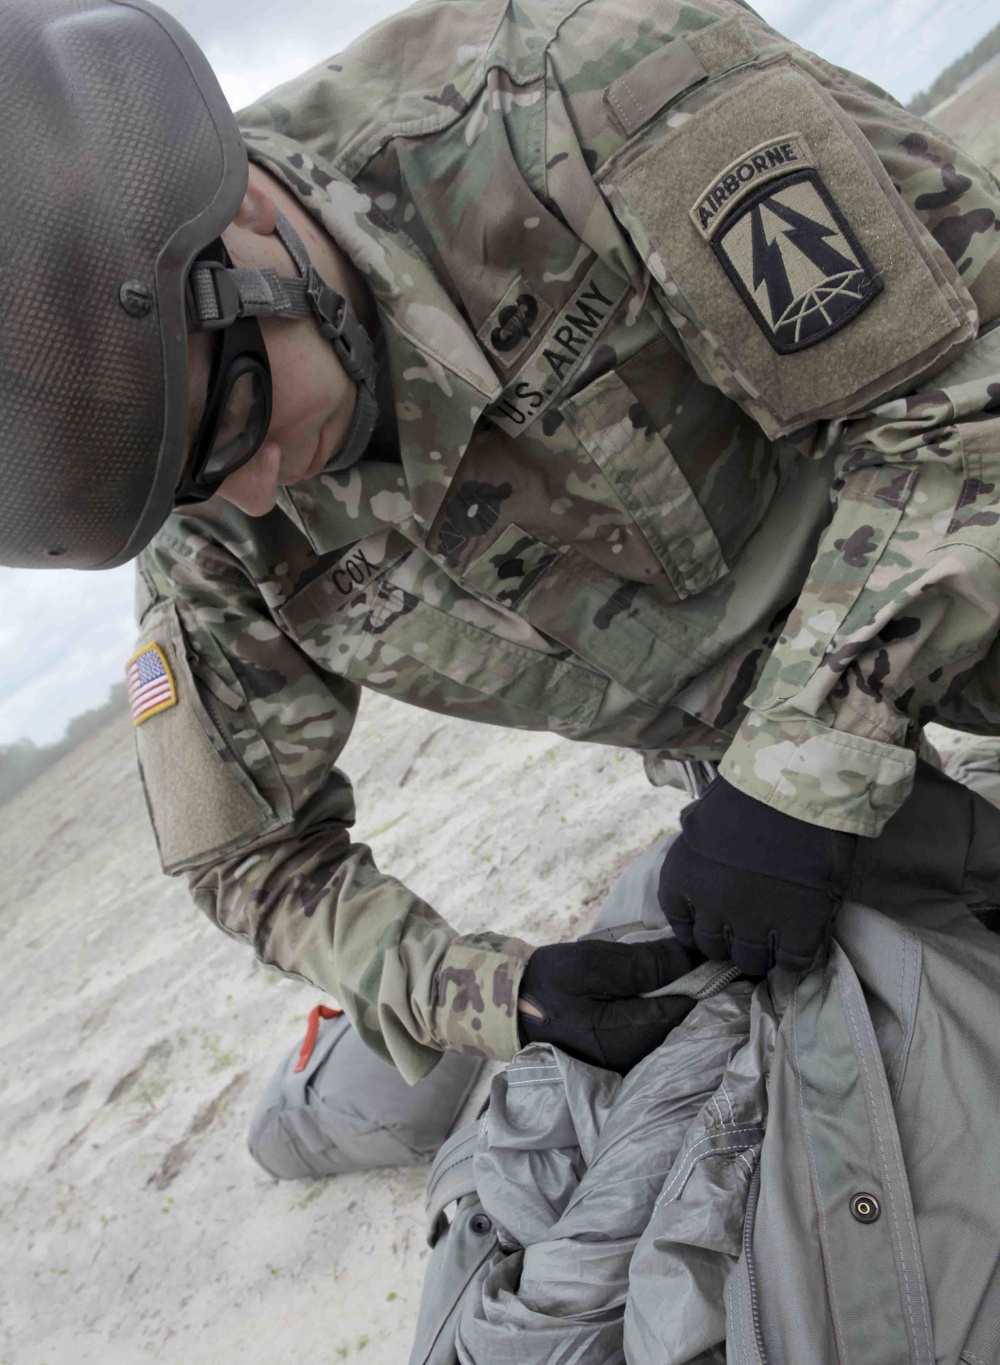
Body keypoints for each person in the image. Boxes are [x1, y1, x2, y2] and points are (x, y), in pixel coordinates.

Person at [4, 0, 1000, 1171]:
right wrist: (501, 994)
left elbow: (961, 397)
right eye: (193, 490)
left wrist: (799, 770)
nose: (261, 494)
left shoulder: (588, 87)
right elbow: (246, 857)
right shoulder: (205, 499)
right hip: (754, 789)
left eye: (234, 417)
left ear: (242, 216)